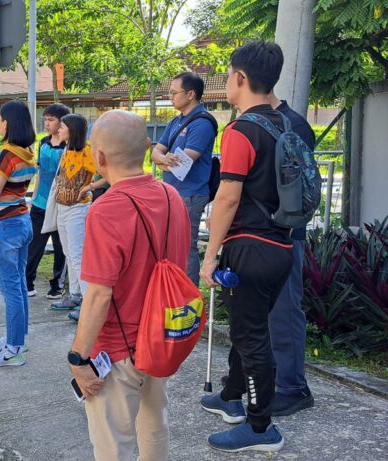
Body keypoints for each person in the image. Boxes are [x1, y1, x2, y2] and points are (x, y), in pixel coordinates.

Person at [69, 109, 190, 461]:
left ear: (99, 157)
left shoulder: (106, 209)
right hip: (162, 337)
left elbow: (99, 295)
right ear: (147, 147)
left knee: (113, 446)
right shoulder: (172, 197)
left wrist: (79, 357)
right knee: (154, 426)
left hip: (118, 349)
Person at [199, 41, 294, 453]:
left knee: (252, 338)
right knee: (248, 327)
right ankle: (231, 395)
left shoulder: (240, 131)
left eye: (228, 75)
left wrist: (209, 257)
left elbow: (227, 198)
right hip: (281, 246)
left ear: (239, 78)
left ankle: (259, 428)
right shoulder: (287, 125)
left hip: (249, 248)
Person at [0, 100, 37, 367]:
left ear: (9, 123)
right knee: (19, 285)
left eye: (0, 119)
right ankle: (18, 338)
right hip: (22, 220)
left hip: (4, 225)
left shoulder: (7, 154)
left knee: (11, 289)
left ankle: (13, 349)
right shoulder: (27, 152)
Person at [267, 94, 317, 417]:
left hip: (286, 234)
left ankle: (293, 387)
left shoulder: (293, 125)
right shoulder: (262, 122)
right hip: (264, 234)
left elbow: (298, 187)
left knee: (284, 312)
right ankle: (273, 381)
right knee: (267, 314)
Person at [150, 71, 218, 285]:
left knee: (187, 246)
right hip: (172, 192)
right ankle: (173, 288)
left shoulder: (202, 123)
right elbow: (155, 153)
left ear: (191, 94)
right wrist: (163, 160)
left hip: (190, 194)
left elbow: (182, 164)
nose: (170, 97)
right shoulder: (176, 121)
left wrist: (163, 161)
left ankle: (188, 293)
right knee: (171, 245)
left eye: (174, 93)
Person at [50, 114, 106, 322]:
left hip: (78, 209)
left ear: (72, 130)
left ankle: (88, 304)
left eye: (62, 127)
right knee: (69, 253)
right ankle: (75, 295)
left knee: (77, 256)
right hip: (63, 207)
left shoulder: (87, 153)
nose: (58, 130)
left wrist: (90, 186)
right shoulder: (66, 149)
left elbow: (107, 173)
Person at [26, 104, 70, 299]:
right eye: (45, 120)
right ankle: (28, 282)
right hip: (40, 204)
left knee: (61, 248)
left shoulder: (70, 146)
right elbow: (40, 172)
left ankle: (57, 286)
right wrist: (33, 197)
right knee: (34, 245)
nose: (47, 123)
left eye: (51, 120)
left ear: (62, 122)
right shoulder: (43, 142)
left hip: (61, 204)